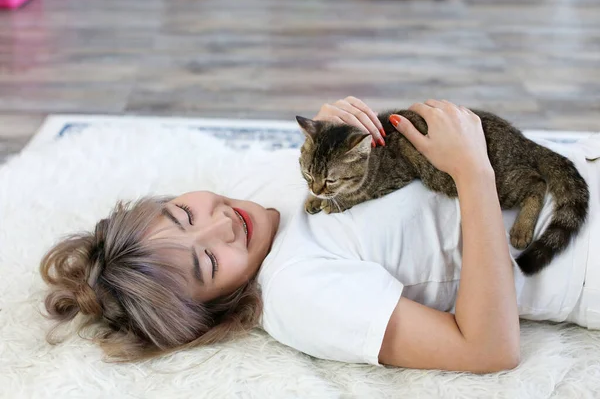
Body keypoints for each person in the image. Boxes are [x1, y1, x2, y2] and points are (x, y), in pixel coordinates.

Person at [40, 98, 600, 373]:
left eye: (185, 215)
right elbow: (487, 349)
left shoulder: (249, 191)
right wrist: (472, 173)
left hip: (576, 167)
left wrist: (345, 130)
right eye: (209, 263)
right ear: (215, 305)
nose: (223, 224)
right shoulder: (295, 293)